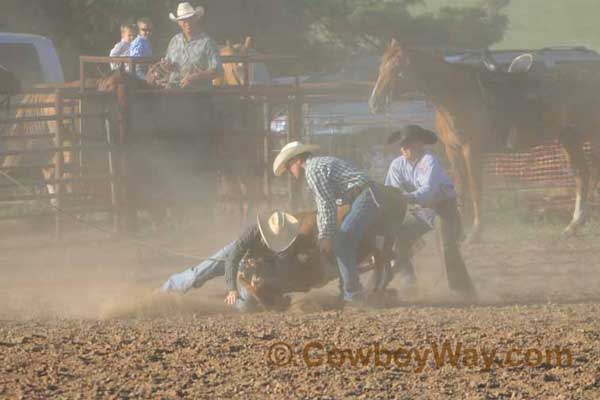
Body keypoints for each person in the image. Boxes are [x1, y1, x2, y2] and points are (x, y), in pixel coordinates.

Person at [273, 142, 382, 305]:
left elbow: (326, 204)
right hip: (361, 195)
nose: (289, 171)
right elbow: (330, 201)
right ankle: (347, 288)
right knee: (341, 239)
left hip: (364, 195)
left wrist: (325, 235)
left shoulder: (312, 170)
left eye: (288, 166)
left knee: (342, 244)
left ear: (297, 160)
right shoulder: (319, 164)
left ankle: (353, 296)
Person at [384, 125, 476, 296]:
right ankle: (408, 282)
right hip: (419, 210)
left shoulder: (429, 160)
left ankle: (462, 290)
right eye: (402, 144)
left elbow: (428, 190)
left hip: (443, 208)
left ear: (420, 144)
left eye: (408, 144)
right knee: (396, 238)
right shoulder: (396, 165)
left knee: (447, 247)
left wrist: (404, 198)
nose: (404, 148)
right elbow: (391, 190)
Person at [161, 211, 304, 312]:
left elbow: (281, 268)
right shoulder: (251, 232)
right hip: (238, 254)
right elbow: (232, 258)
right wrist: (232, 288)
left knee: (245, 307)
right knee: (203, 270)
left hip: (258, 266)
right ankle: (164, 293)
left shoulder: (288, 244)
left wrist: (261, 271)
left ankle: (224, 303)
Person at [163, 2, 223, 89]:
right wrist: (166, 66)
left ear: (195, 19)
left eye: (190, 19)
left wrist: (196, 77)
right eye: (183, 20)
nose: (187, 23)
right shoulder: (174, 41)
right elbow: (169, 66)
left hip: (198, 94)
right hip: (174, 91)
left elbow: (218, 70)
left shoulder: (207, 42)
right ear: (179, 23)